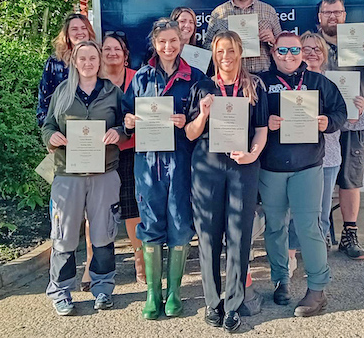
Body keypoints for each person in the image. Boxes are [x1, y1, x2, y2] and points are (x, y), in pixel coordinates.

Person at [258, 32, 348, 317]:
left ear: (302, 52)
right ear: (273, 52)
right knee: (274, 227)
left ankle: (318, 290)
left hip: (308, 166)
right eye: (282, 49)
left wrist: (327, 122)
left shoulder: (318, 82)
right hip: (271, 167)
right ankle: (281, 280)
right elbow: (245, 120)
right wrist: (264, 122)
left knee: (309, 227)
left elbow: (341, 113)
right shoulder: (261, 82)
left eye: (294, 49)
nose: (289, 55)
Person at [122, 18, 207, 320]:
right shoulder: (141, 78)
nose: (168, 47)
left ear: (181, 42)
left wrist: (188, 121)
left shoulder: (195, 77)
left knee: (180, 222)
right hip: (147, 163)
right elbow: (124, 116)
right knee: (151, 222)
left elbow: (201, 123)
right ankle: (152, 293)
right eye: (162, 42)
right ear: (155, 45)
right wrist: (129, 122)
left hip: (182, 161)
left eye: (173, 41)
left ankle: (174, 292)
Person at [185, 31, 269, 333]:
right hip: (207, 164)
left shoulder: (254, 85)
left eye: (231, 51)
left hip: (242, 165)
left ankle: (233, 304)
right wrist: (204, 114)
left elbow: (261, 129)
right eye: (220, 51)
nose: (226, 57)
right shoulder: (202, 87)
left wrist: (252, 154)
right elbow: (190, 133)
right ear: (213, 53)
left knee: (239, 236)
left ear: (240, 52)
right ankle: (212, 302)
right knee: (207, 235)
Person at [41, 41, 127, 315]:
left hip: (104, 173)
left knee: (103, 233)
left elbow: (126, 123)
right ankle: (61, 291)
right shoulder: (62, 93)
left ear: (99, 62)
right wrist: (50, 137)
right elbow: (49, 125)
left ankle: (103, 288)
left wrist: (119, 132)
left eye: (93, 58)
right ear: (75, 62)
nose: (88, 63)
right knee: (64, 236)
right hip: (69, 175)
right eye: (83, 58)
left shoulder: (113, 92)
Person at [286, 32, 364, 274]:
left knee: (320, 212)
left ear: (324, 55)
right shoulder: (288, 81)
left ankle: (318, 261)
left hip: (327, 157)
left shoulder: (336, 83)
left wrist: (359, 111)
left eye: (317, 49)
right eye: (306, 49)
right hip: (294, 158)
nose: (312, 53)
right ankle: (290, 256)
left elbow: (352, 124)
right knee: (293, 211)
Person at [317, 0, 364, 260]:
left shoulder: (360, 45)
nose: (333, 17)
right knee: (317, 180)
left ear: (345, 15)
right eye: (327, 12)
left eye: (338, 12)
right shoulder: (311, 45)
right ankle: (320, 234)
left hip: (353, 123)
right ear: (319, 17)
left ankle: (349, 235)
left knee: (350, 180)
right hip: (323, 124)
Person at [101, 31, 145, 284]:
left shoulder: (137, 79)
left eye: (117, 49)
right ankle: (96, 266)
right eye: (107, 49)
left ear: (125, 54)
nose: (112, 53)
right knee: (97, 209)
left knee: (131, 209)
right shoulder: (93, 80)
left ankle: (140, 262)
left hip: (132, 150)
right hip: (99, 153)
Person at [203, 0, 283, 73]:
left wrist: (273, 40)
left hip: (263, 76)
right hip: (230, 77)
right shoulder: (218, 13)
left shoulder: (268, 11)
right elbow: (206, 46)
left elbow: (283, 47)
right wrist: (221, 45)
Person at [37, 13, 96, 127]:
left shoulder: (99, 59)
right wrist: (49, 129)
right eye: (74, 29)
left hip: (94, 128)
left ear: (89, 32)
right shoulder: (55, 62)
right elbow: (45, 99)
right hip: (62, 128)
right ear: (67, 34)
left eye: (84, 28)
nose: (80, 32)